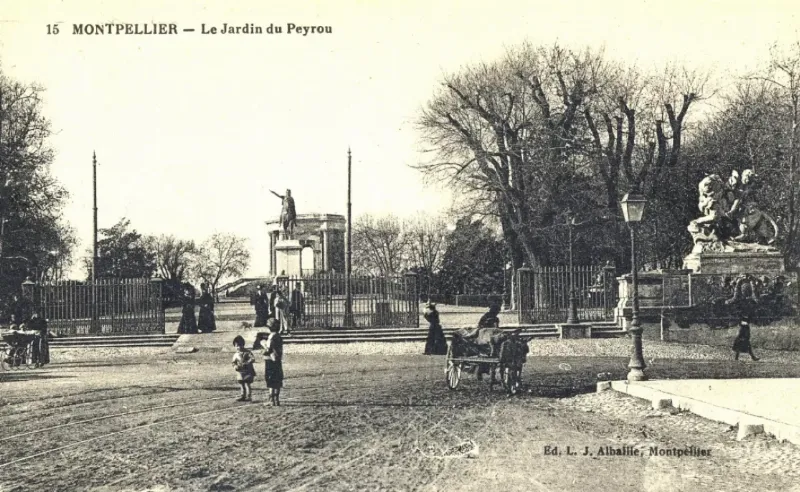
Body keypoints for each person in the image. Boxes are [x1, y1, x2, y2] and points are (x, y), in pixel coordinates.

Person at [262, 318, 284, 406]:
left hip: (270, 360)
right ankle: (277, 400)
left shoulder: (271, 336)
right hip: (278, 359)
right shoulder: (278, 336)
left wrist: (262, 343)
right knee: (277, 380)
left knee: (270, 380)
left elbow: (268, 349)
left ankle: (271, 400)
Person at [232, 335, 256, 402]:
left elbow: (253, 359)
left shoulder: (247, 352)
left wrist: (247, 362)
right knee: (241, 383)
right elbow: (233, 362)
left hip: (248, 370)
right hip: (240, 371)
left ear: (243, 345)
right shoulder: (236, 354)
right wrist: (235, 366)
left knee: (247, 383)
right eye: (236, 346)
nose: (238, 347)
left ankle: (249, 396)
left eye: (240, 345)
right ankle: (242, 395)